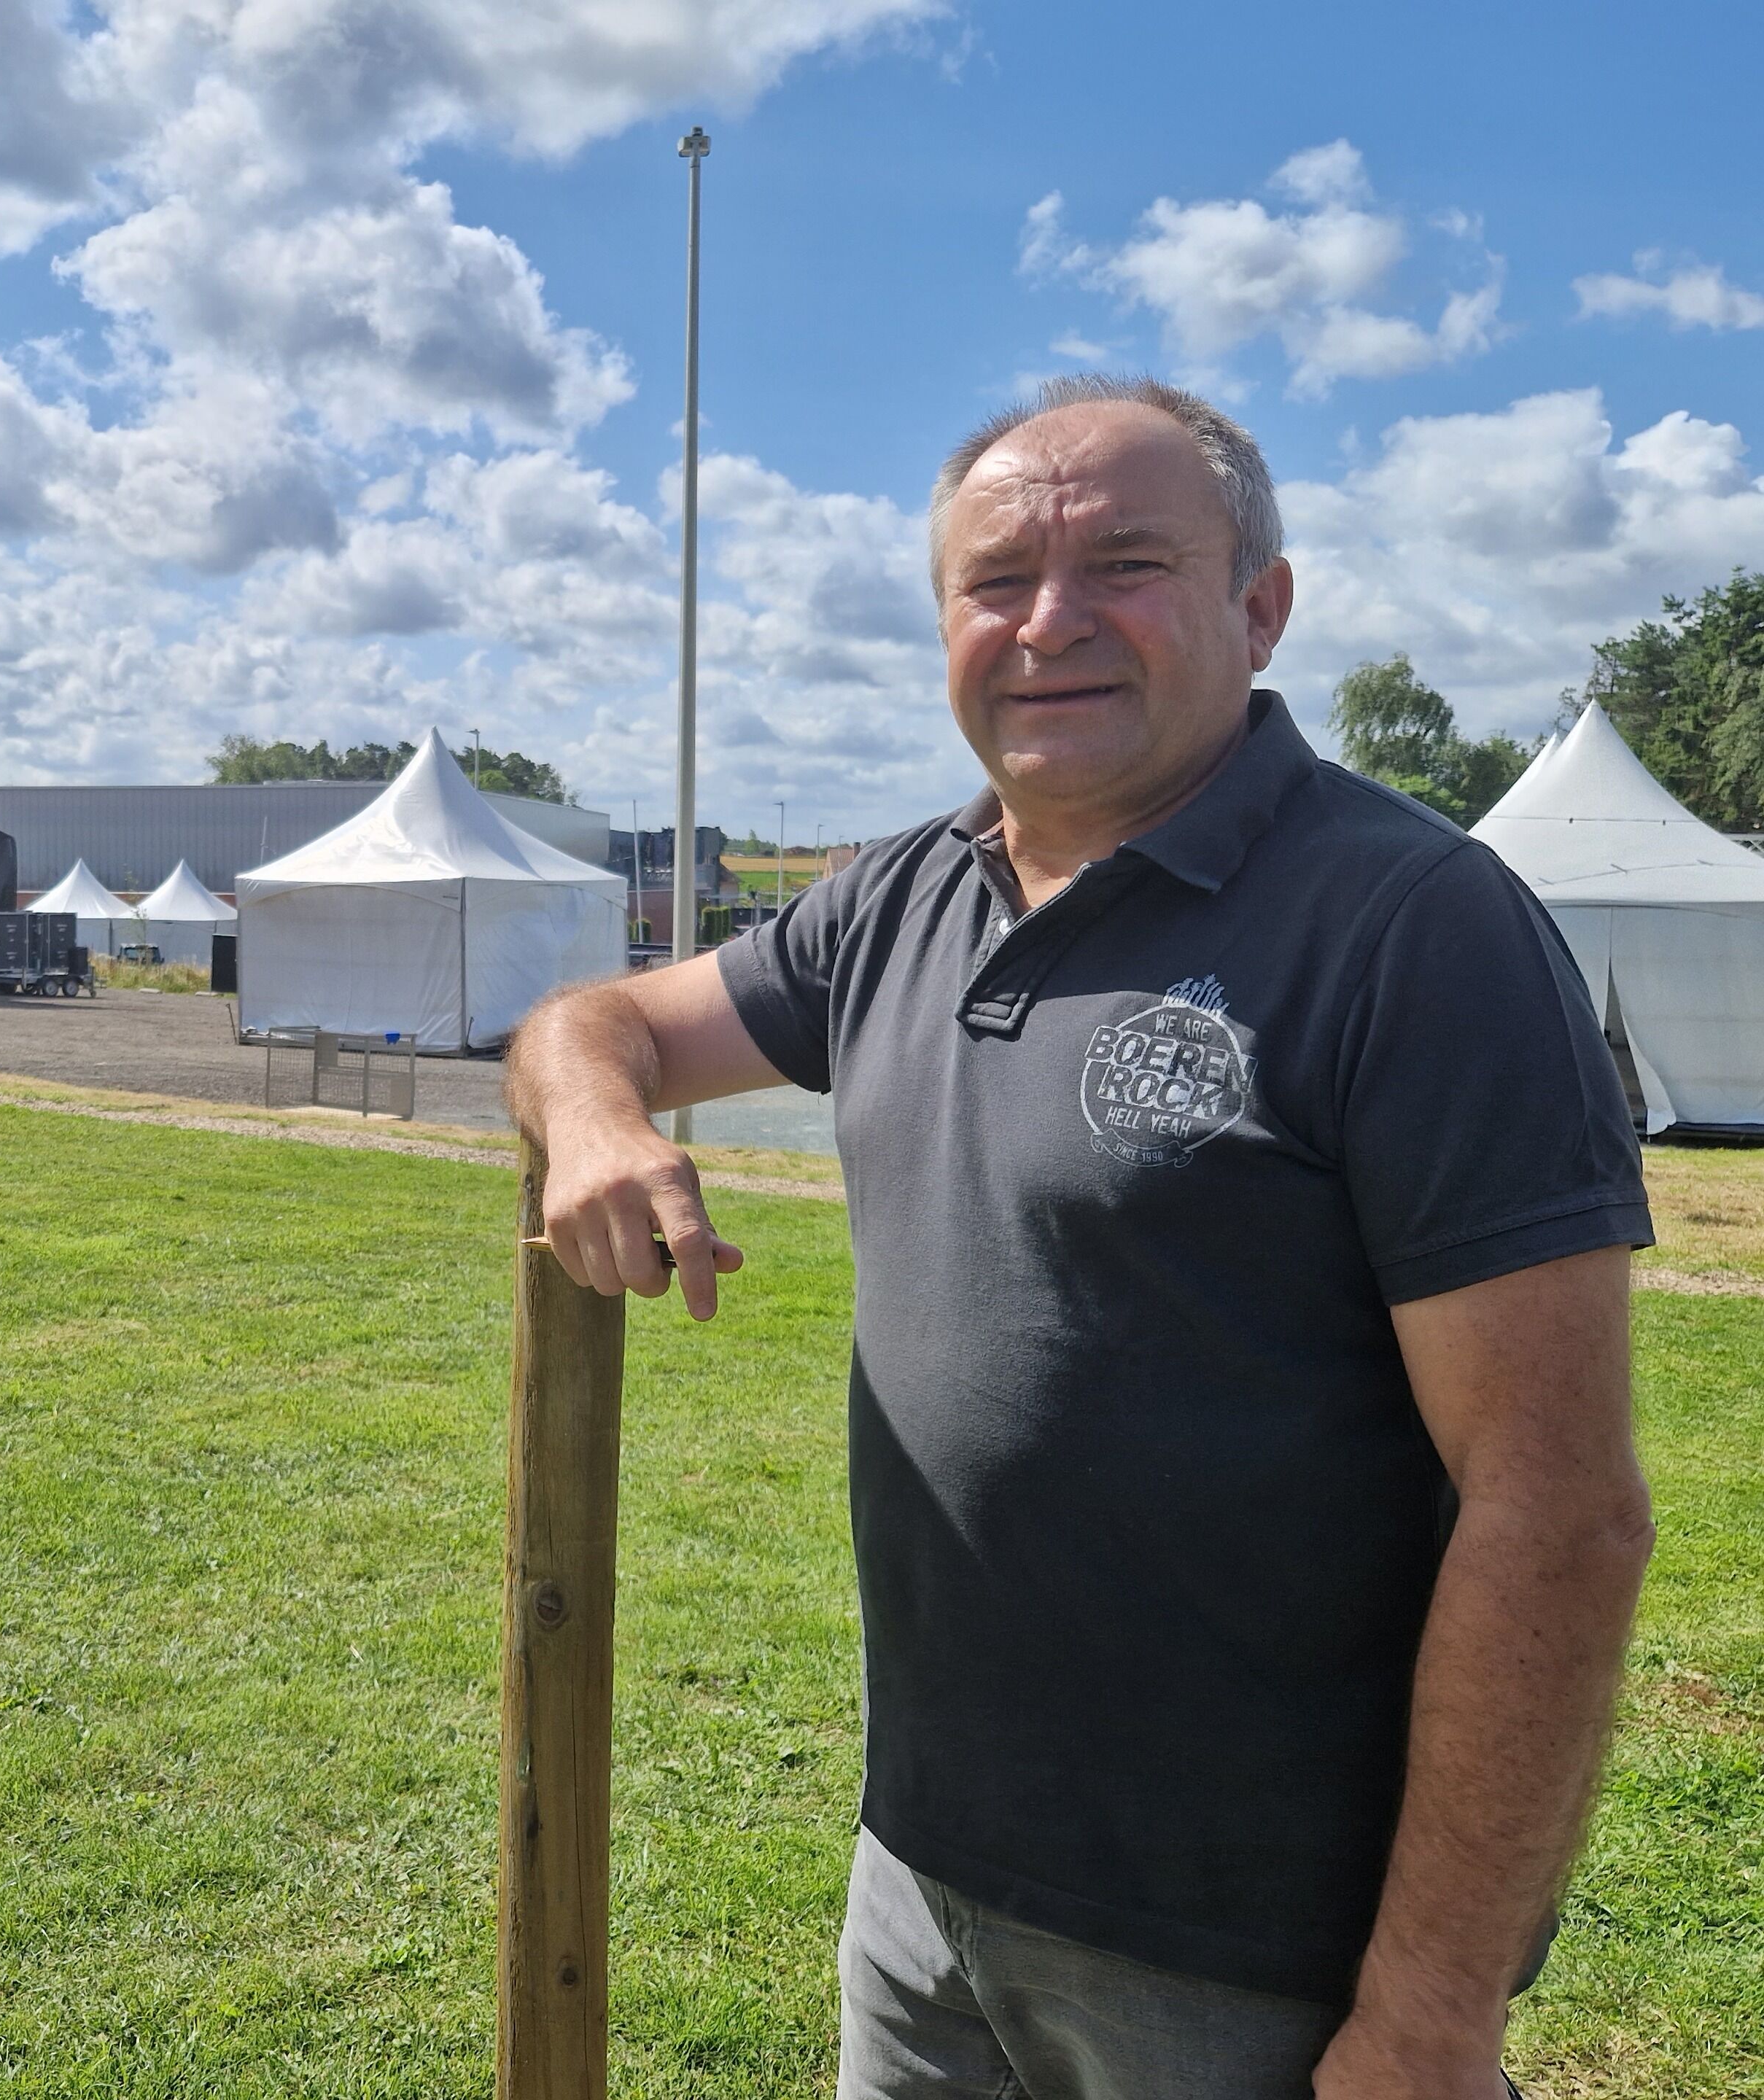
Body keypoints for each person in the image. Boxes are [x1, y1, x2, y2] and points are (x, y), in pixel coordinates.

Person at [506, 376, 1656, 2100]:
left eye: (1126, 565)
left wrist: (1432, 2013)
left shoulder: (1413, 928)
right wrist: (598, 1123)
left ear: (1259, 609)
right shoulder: (900, 899)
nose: (1049, 624)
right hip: (920, 1892)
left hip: (1253, 1962)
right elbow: (594, 1021)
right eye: (995, 582)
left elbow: (1559, 1508)